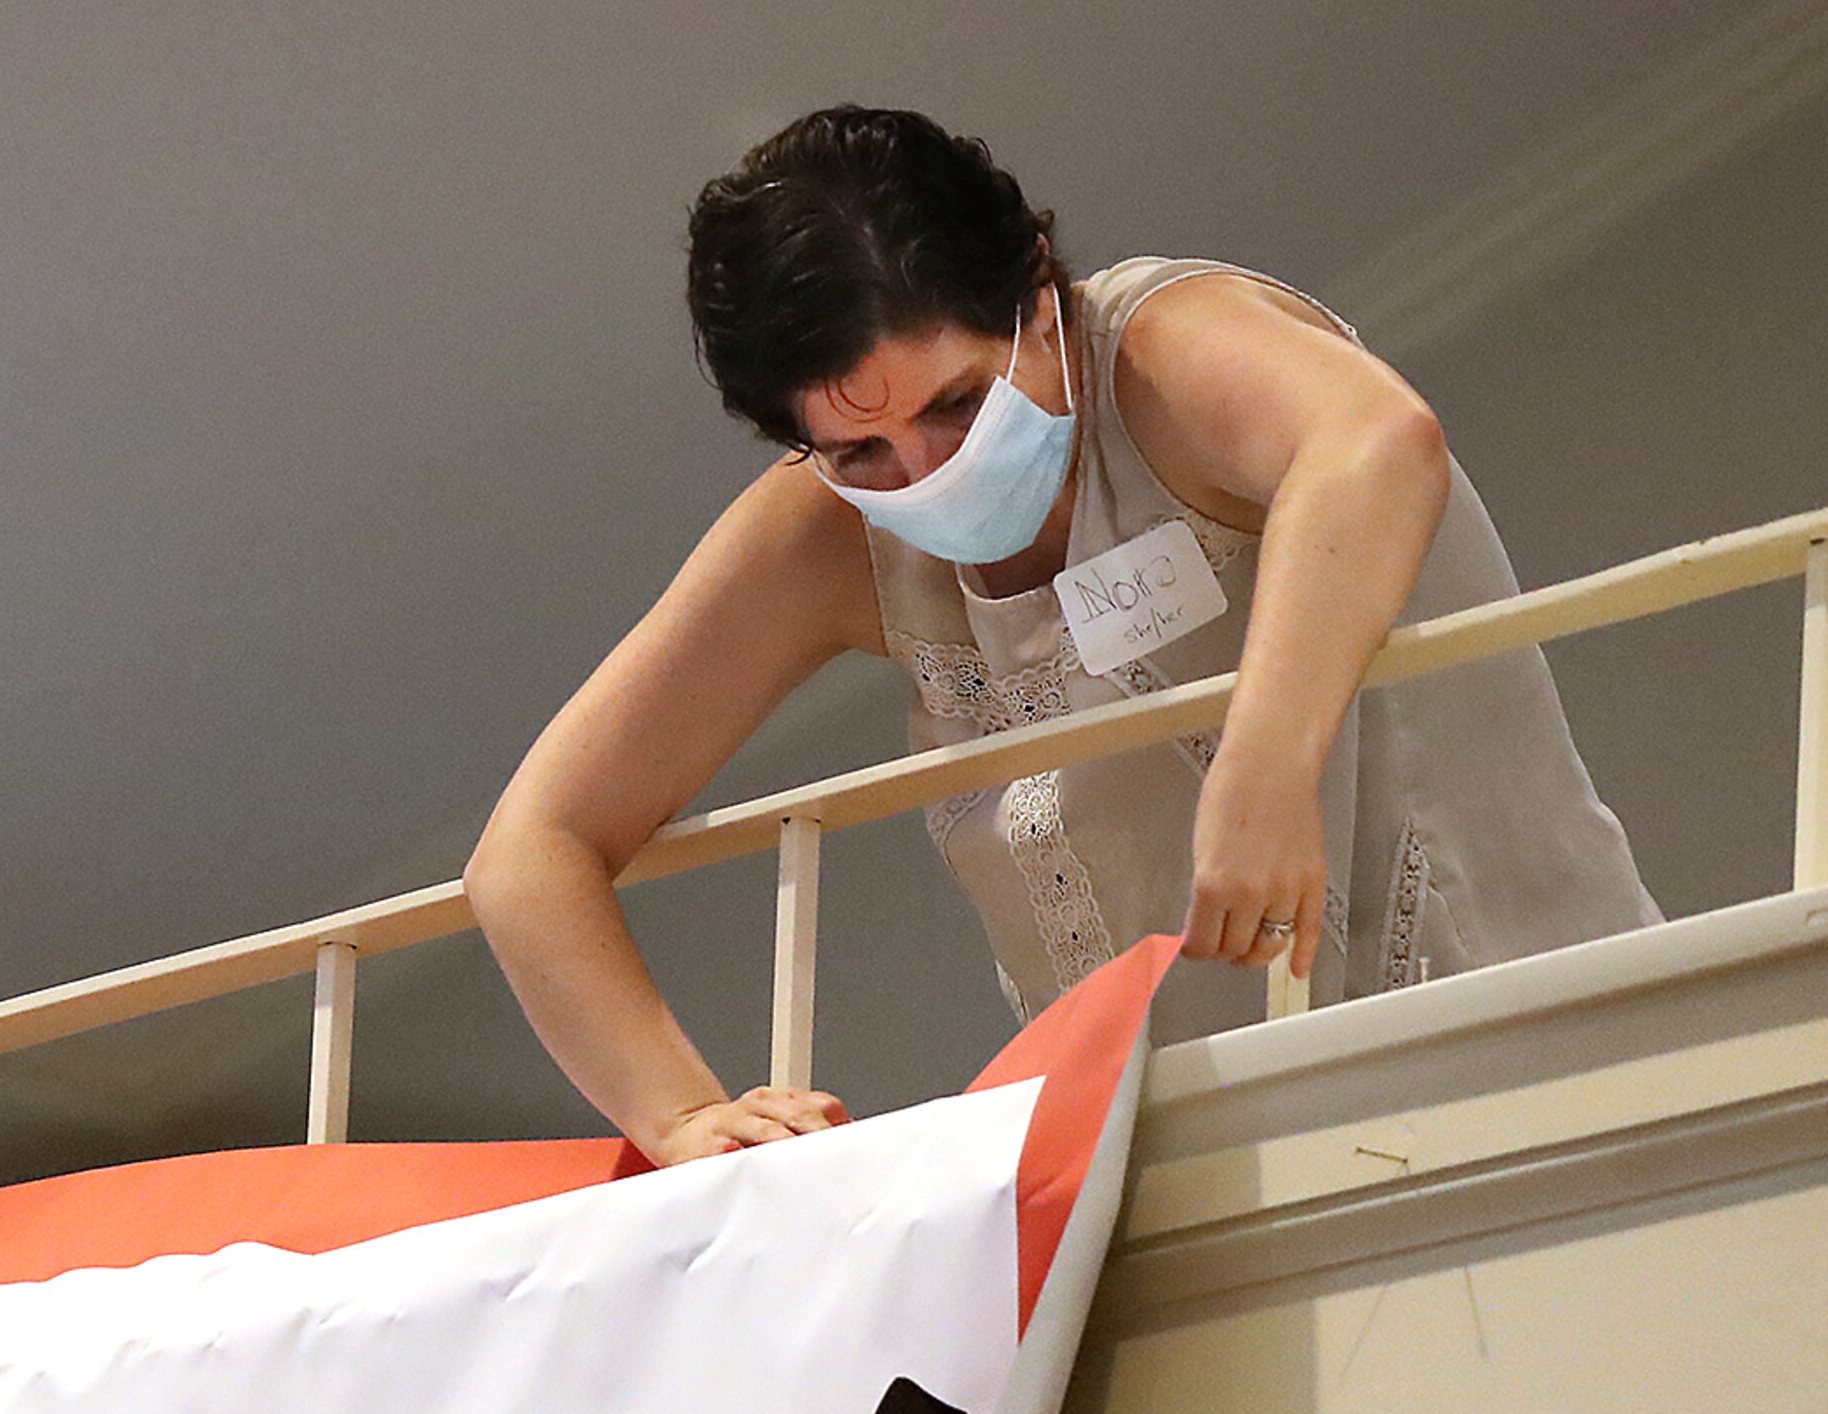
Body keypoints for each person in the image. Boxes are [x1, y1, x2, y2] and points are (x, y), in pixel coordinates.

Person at [465, 106, 1657, 1163]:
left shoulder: (1157, 347)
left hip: (1538, 1054)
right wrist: (680, 1118)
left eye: (957, 403)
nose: (928, 472)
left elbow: (1376, 443)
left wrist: (1266, 759)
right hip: (1175, 1162)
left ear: (1037, 294)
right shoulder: (827, 530)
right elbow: (532, 849)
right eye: (861, 450)